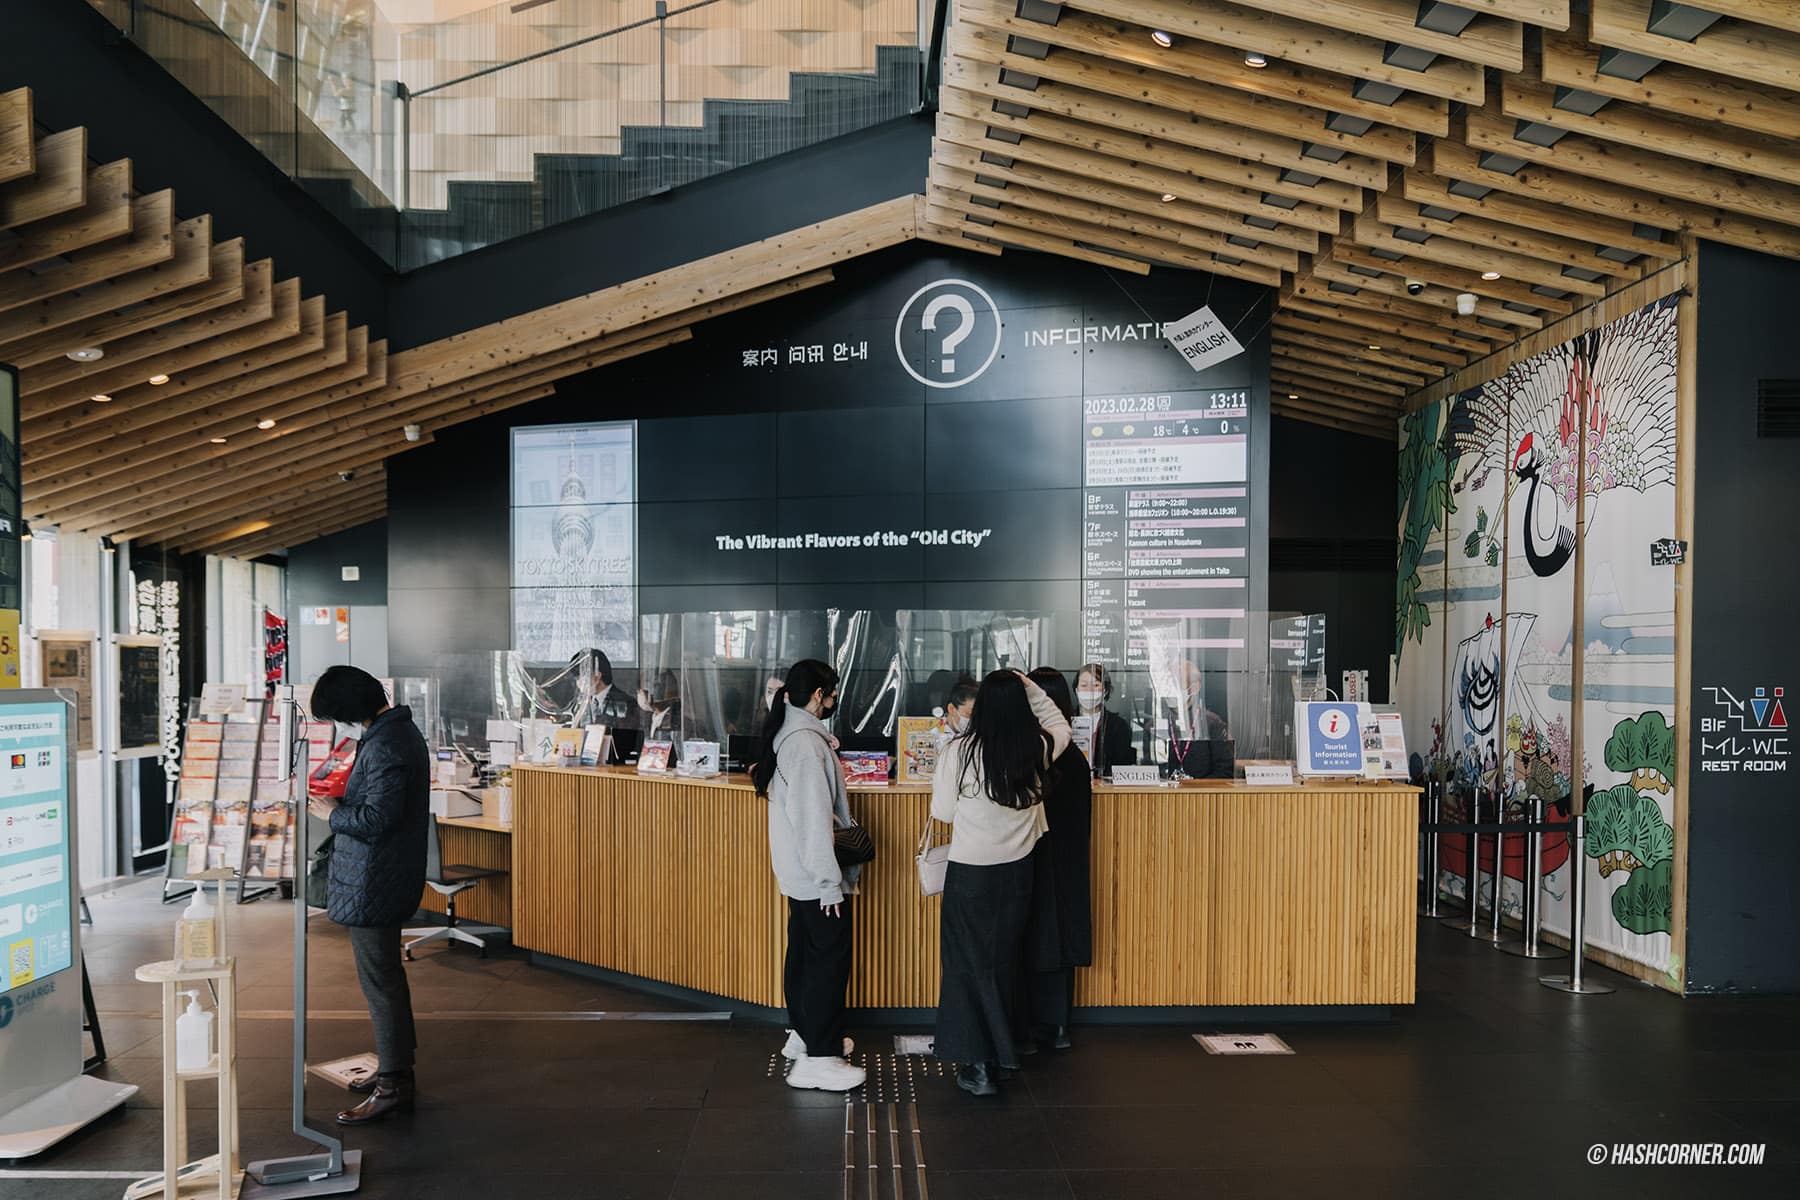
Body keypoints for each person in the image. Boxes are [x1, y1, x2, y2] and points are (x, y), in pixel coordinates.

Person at [931, 670, 1070, 1097]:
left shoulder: (960, 751)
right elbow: (1062, 724)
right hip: (1018, 874)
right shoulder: (1036, 748)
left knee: (967, 966)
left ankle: (980, 1066)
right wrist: (1029, 687)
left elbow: (944, 813)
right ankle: (1003, 1053)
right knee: (1003, 961)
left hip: (972, 873)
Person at [304, 666, 430, 1125]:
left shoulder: (387, 744)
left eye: (337, 717)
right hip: (381, 875)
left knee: (381, 982)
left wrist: (332, 813)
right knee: (385, 980)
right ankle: (396, 1069)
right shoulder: (393, 734)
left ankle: (394, 1083)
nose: (338, 726)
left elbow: (377, 819)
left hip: (377, 879)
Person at [755, 659, 866, 1092]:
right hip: (815, 875)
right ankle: (820, 1058)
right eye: (832, 694)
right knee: (827, 962)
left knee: (805, 953)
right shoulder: (806, 744)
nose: (834, 702)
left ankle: (805, 1036)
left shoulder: (792, 735)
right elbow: (814, 821)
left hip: (797, 872)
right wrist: (829, 884)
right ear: (819, 695)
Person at [1022, 667, 1093, 1053]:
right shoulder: (1076, 758)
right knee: (1061, 938)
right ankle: (1059, 1025)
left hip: (1036, 856)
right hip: (1070, 861)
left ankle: (1033, 1027)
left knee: (1034, 936)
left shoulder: (1039, 753)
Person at [1075, 663, 1136, 776]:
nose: (1090, 691)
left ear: (1105, 691)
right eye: (1084, 685)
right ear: (1076, 690)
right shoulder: (1066, 722)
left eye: (1096, 685)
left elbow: (1122, 766)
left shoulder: (1118, 725)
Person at [568, 647, 637, 729]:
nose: (578, 684)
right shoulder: (580, 704)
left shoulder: (625, 703)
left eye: (580, 678)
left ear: (597, 676)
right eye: (577, 679)